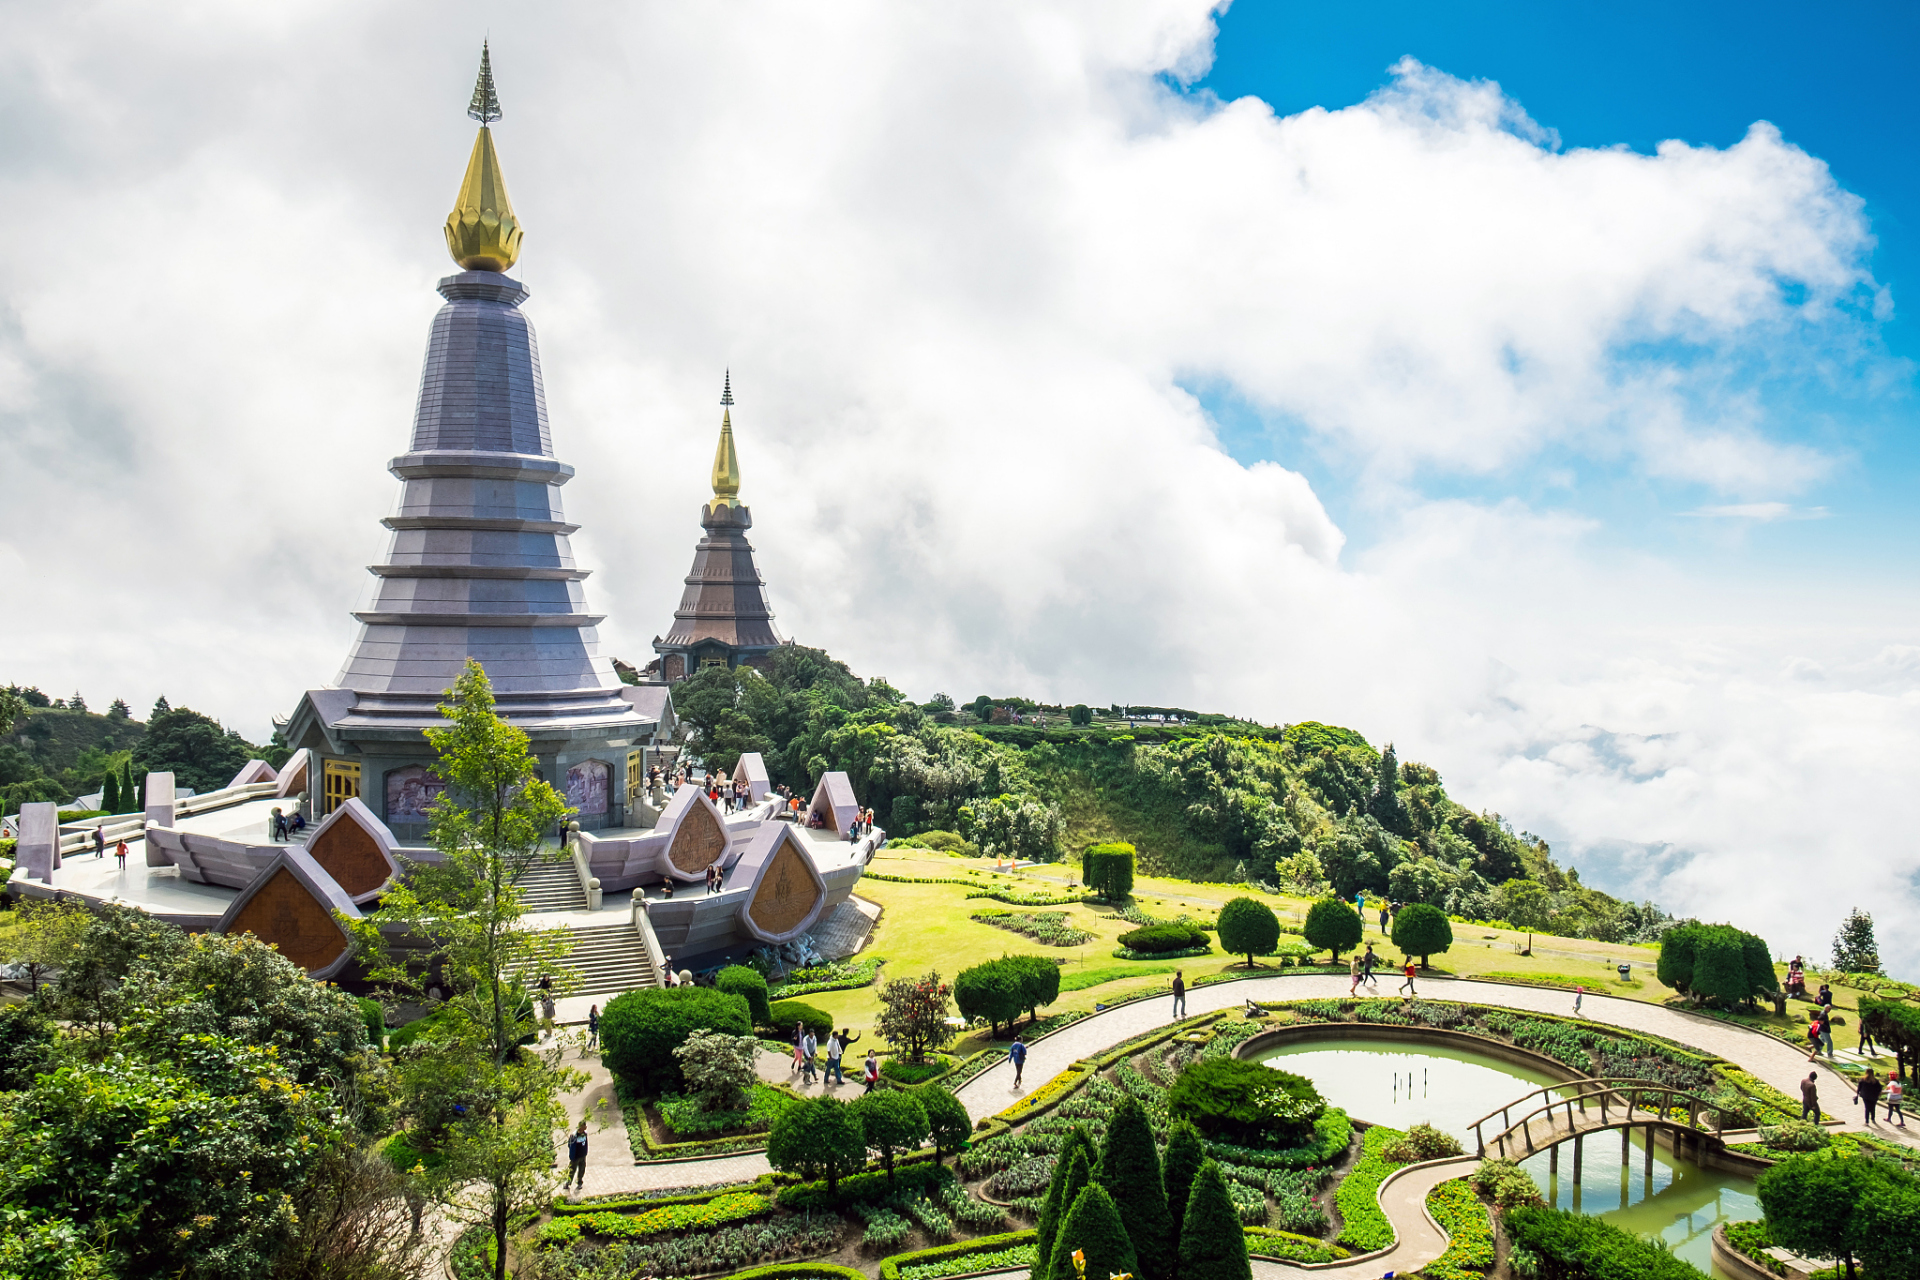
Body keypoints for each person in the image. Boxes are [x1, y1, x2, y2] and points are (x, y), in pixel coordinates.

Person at [565, 1121, 589, 1190]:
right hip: (575, 1157)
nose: (586, 1127)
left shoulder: (585, 1134)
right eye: (584, 1126)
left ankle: (579, 1182)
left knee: (582, 1170)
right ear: (581, 1127)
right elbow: (570, 1144)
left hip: (583, 1156)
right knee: (572, 1170)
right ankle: (568, 1183)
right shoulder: (574, 1136)